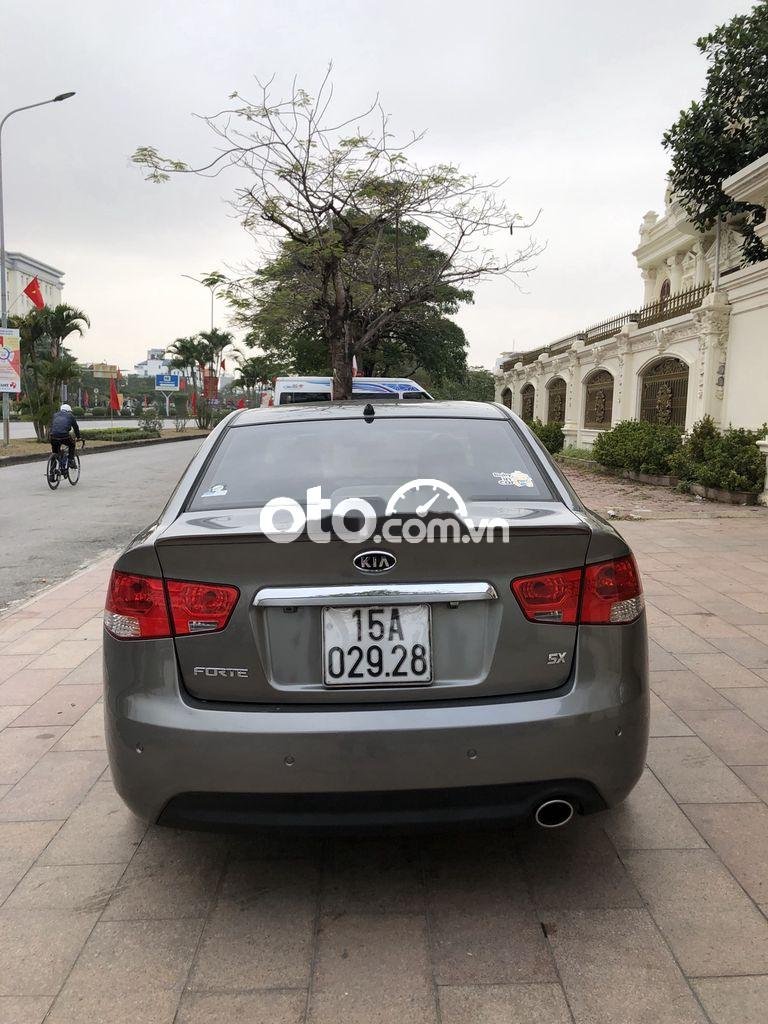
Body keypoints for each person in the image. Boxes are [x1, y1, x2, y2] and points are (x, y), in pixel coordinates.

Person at [50, 403, 82, 470]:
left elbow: (53, 426)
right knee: (72, 444)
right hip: (64, 436)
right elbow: (76, 427)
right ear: (68, 411)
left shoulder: (55, 415)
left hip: (53, 436)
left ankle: (51, 474)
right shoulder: (70, 416)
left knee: (54, 452)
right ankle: (70, 460)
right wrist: (78, 437)